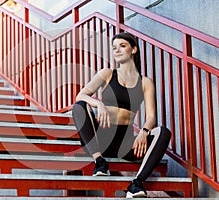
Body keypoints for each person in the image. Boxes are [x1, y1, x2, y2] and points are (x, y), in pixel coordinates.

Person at [72, 32, 171, 198]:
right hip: (100, 139)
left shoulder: (145, 82)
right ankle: (100, 162)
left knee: (163, 132)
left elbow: (151, 117)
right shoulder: (107, 73)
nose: (116, 50)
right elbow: (81, 95)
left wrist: (144, 131)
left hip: (125, 143)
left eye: (122, 46)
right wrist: (99, 104)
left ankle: (136, 184)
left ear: (134, 50)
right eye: (114, 48)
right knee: (79, 107)